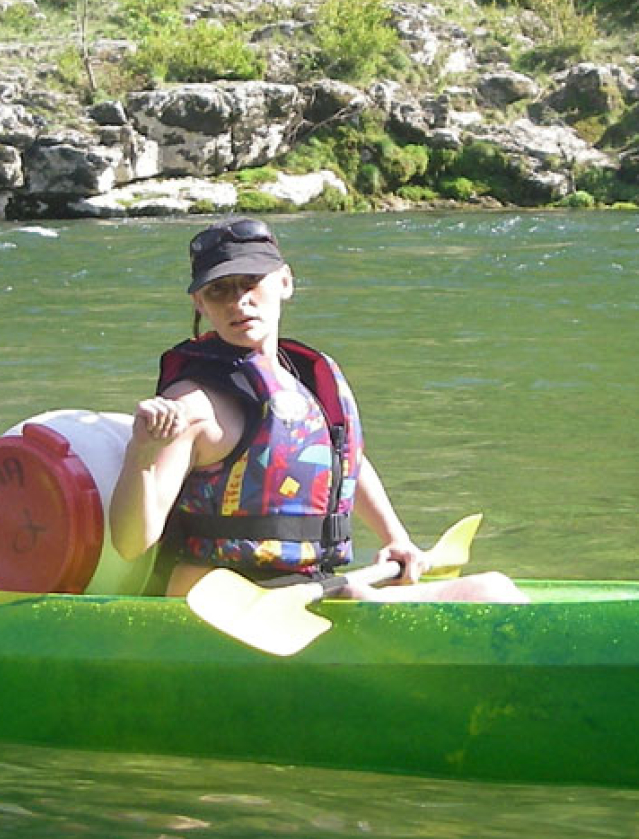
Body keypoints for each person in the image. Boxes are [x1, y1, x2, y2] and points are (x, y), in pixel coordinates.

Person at [109, 217, 526, 602]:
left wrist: (395, 537)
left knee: (494, 588)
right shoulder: (192, 407)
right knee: (461, 597)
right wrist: (142, 456)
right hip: (221, 598)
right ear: (200, 302)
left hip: (308, 587)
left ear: (286, 281)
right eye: (220, 289)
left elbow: (341, 460)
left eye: (251, 282)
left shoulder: (304, 382)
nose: (238, 302)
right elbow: (131, 544)